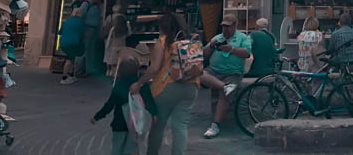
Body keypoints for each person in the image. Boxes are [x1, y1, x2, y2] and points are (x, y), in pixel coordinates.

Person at [130, 13, 200, 155]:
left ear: (163, 26)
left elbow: (154, 69)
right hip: (191, 86)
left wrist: (139, 83)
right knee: (180, 126)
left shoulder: (162, 42)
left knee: (158, 125)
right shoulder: (191, 41)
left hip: (167, 87)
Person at [91, 57, 157, 155]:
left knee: (117, 148)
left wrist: (96, 117)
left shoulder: (118, 86)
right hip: (135, 122)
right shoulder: (141, 85)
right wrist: (154, 114)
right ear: (137, 70)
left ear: (120, 72)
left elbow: (109, 105)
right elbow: (149, 101)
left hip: (119, 123)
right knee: (133, 147)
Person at [200, 14, 251, 139]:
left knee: (224, 97)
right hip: (213, 71)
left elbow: (247, 53)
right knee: (198, 74)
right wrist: (211, 46)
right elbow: (203, 54)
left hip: (233, 72)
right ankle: (225, 86)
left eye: (228, 27)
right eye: (223, 27)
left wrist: (232, 49)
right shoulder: (217, 37)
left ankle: (215, 125)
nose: (225, 30)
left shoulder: (242, 38)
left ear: (234, 26)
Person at [77, 0, 103, 77]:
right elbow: (80, 16)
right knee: (84, 50)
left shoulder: (95, 6)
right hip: (87, 29)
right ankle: (79, 69)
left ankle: (87, 69)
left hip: (93, 30)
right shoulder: (86, 5)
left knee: (90, 50)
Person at [59, 8, 85, 85]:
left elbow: (60, 32)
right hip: (72, 43)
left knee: (71, 58)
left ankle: (71, 75)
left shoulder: (67, 20)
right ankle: (64, 78)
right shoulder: (80, 21)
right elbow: (82, 33)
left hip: (63, 42)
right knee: (69, 60)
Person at [103, 5, 131, 77]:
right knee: (119, 57)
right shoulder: (123, 17)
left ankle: (108, 70)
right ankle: (116, 72)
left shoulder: (109, 17)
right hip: (121, 41)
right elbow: (128, 30)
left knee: (108, 55)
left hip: (111, 39)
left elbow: (105, 26)